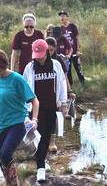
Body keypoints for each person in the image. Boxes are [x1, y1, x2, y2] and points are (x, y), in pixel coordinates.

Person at [23, 39, 68, 183]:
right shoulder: (30, 68)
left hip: (51, 108)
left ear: (47, 52)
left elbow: (61, 84)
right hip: (35, 110)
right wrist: (25, 109)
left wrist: (63, 102)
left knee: (47, 136)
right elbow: (25, 88)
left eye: (41, 54)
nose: (39, 58)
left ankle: (41, 160)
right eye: (37, 55)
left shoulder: (56, 65)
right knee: (39, 138)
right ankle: (40, 168)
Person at [0, 49, 39, 185]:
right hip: (1, 124)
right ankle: (9, 182)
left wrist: (34, 119)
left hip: (17, 123)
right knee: (2, 156)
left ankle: (13, 182)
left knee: (5, 153)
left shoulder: (16, 79)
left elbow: (34, 100)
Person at [45, 36, 76, 153]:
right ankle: (42, 140)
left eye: (51, 50)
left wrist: (69, 91)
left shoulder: (58, 60)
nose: (49, 52)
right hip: (42, 94)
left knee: (54, 117)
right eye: (46, 50)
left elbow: (64, 78)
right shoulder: (38, 61)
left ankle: (52, 142)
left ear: (55, 49)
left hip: (56, 94)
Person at [58, 10, 85, 85]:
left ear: (67, 17)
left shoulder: (72, 26)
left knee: (78, 68)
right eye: (61, 16)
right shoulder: (61, 28)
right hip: (66, 53)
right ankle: (70, 85)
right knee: (68, 70)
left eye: (63, 16)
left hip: (75, 52)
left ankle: (83, 83)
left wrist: (78, 50)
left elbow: (77, 38)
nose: (62, 17)